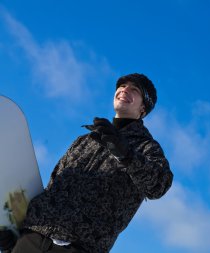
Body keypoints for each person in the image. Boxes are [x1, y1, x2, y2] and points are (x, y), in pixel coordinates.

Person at [0, 73, 173, 253]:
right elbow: (53, 187)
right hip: (32, 238)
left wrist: (126, 154)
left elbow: (159, 185)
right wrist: (17, 231)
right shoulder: (85, 140)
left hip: (79, 247)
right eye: (122, 86)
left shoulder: (145, 147)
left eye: (134, 89)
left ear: (143, 108)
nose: (124, 89)